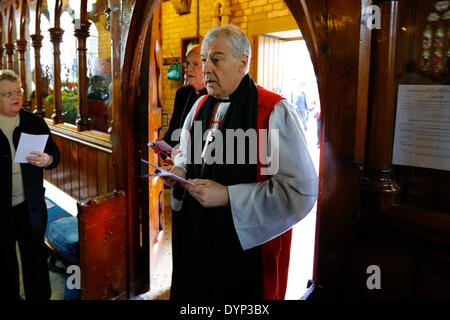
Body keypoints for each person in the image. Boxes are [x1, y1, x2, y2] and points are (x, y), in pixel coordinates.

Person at [162, 24, 318, 300]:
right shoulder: (199, 106)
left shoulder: (272, 111)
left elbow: (299, 191)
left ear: (243, 62)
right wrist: (180, 168)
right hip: (197, 234)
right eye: (205, 60)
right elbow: (185, 148)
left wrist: (229, 196)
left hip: (246, 249)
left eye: (216, 59)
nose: (207, 68)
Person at [0, 70, 60, 300]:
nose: (16, 97)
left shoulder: (33, 122)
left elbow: (55, 153)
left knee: (35, 261)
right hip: (2, 212)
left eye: (18, 92)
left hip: (31, 206)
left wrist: (48, 159)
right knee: (5, 266)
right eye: (8, 94)